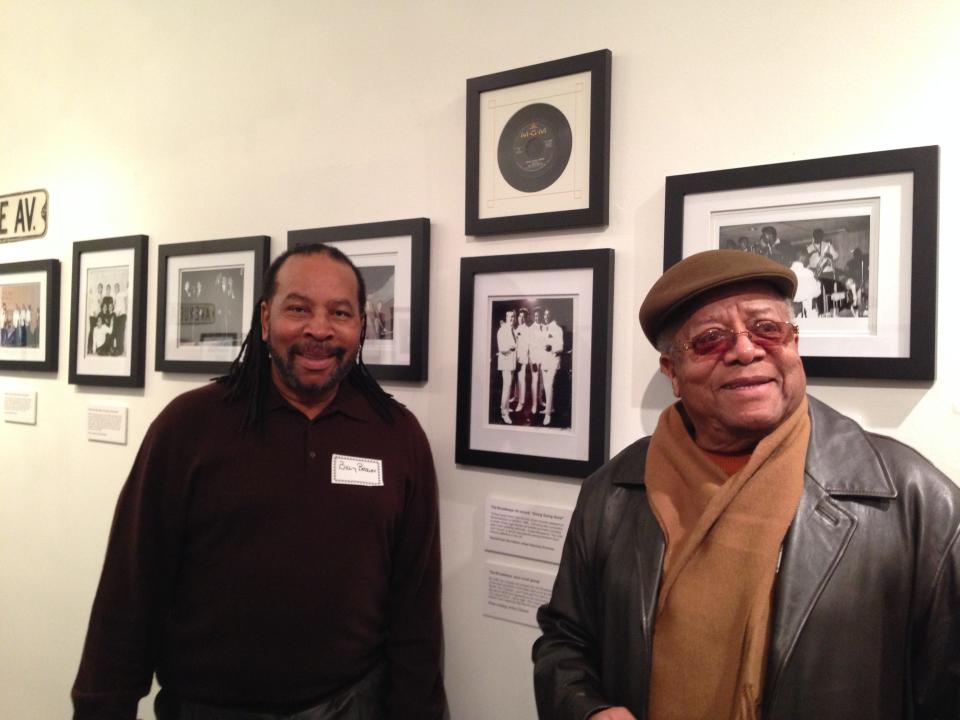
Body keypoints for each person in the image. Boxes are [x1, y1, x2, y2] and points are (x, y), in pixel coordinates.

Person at [533, 249, 959, 720]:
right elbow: (564, 641)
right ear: (672, 372)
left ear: (793, 342)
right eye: (711, 339)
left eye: (767, 329)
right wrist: (587, 710)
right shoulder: (613, 491)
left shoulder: (914, 498)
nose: (745, 350)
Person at [73, 244, 447, 720]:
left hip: (351, 705)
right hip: (208, 709)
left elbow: (415, 609)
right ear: (266, 320)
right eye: (299, 309)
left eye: (340, 312)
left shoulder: (398, 437)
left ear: (361, 327)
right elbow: (130, 588)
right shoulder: (189, 427)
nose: (319, 329)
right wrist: (102, 706)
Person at [539, 307, 564, 426]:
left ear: (552, 315)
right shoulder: (544, 329)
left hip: (553, 361)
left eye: (548, 315)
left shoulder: (557, 329)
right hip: (545, 362)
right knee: (546, 386)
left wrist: (551, 348)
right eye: (544, 315)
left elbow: (561, 347)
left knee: (549, 387)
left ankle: (547, 415)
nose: (545, 317)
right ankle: (550, 407)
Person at [496, 309, 518, 424]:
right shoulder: (502, 330)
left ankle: (504, 406)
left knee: (508, 387)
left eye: (513, 318)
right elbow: (502, 348)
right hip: (505, 363)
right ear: (506, 317)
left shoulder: (511, 330)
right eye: (510, 317)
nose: (512, 319)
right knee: (506, 387)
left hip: (511, 363)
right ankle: (504, 413)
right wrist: (511, 347)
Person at [514, 308, 532, 412]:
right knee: (516, 380)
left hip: (522, 359)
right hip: (514, 358)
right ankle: (516, 397)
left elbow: (526, 346)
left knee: (521, 380)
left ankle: (521, 402)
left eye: (523, 317)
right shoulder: (516, 329)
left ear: (526, 318)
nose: (521, 318)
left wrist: (521, 358)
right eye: (520, 316)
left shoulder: (527, 330)